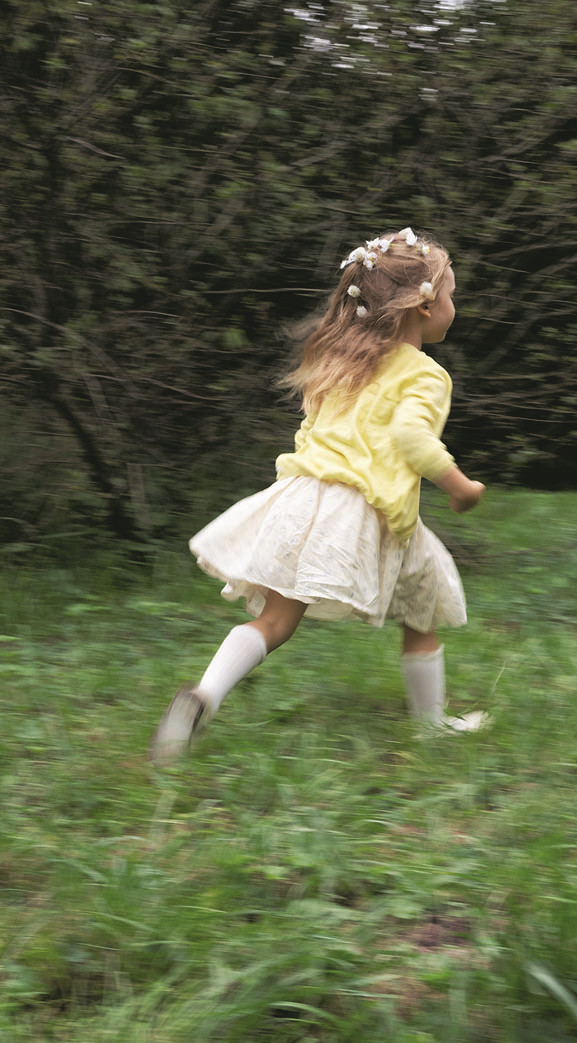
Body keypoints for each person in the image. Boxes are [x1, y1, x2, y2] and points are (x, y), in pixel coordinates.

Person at [150, 227, 487, 765]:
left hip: (305, 498)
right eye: (451, 294)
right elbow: (411, 437)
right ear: (424, 307)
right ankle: (430, 726)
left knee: (275, 621)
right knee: (424, 603)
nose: (455, 305)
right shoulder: (425, 374)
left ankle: (203, 696)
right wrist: (461, 487)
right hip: (367, 509)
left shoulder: (344, 360)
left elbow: (310, 430)